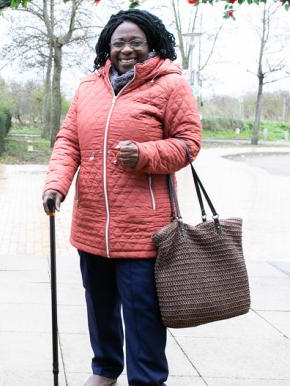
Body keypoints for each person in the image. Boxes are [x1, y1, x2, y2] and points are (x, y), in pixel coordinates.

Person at [41, 9, 202, 386]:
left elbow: (189, 144)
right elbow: (68, 143)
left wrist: (146, 155)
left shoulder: (170, 85)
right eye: (119, 43)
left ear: (152, 45)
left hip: (143, 229)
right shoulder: (88, 88)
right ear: (107, 47)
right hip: (92, 223)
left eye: (135, 42)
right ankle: (106, 369)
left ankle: (146, 379)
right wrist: (56, 185)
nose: (126, 49)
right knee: (99, 306)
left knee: (142, 312)